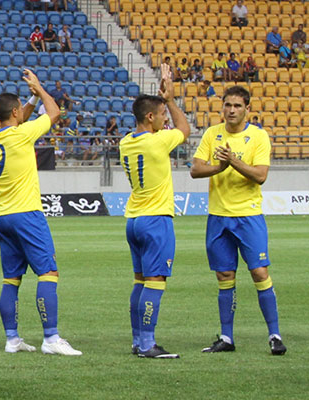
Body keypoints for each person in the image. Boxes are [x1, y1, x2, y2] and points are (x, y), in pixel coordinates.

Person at [0, 69, 82, 356]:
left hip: (2, 215)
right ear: (14, 112)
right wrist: (39, 90)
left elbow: (18, 118)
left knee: (11, 279)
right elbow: (53, 112)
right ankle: (51, 338)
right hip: (26, 212)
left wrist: (26, 100)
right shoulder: (23, 134)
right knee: (48, 272)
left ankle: (12, 339)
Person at [190, 85, 287, 356]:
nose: (231, 110)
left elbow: (260, 175)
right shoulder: (212, 134)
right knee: (225, 275)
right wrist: (218, 167)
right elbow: (196, 170)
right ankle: (226, 337)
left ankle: (275, 334)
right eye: (228, 105)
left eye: (237, 106)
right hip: (219, 217)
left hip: (248, 216)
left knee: (259, 272)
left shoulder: (257, 136)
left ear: (247, 109)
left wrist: (232, 161)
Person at [119, 64, 191, 358]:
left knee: (140, 281)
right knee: (156, 282)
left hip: (133, 219)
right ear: (150, 117)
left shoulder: (125, 142)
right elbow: (185, 130)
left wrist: (164, 102)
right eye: (162, 115)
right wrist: (171, 100)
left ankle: (138, 340)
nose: (166, 120)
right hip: (156, 219)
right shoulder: (158, 141)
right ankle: (148, 343)